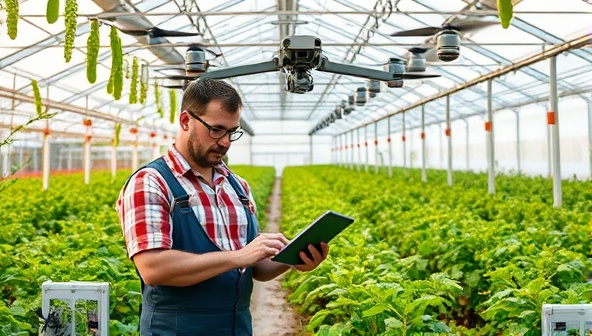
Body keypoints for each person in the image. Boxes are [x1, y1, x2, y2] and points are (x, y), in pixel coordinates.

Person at [115, 79, 328, 336]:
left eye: (232, 132)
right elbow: (153, 268)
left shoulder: (237, 186)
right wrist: (239, 256)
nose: (225, 142)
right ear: (186, 121)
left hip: (236, 328)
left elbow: (255, 269)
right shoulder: (151, 182)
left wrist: (293, 260)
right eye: (216, 130)